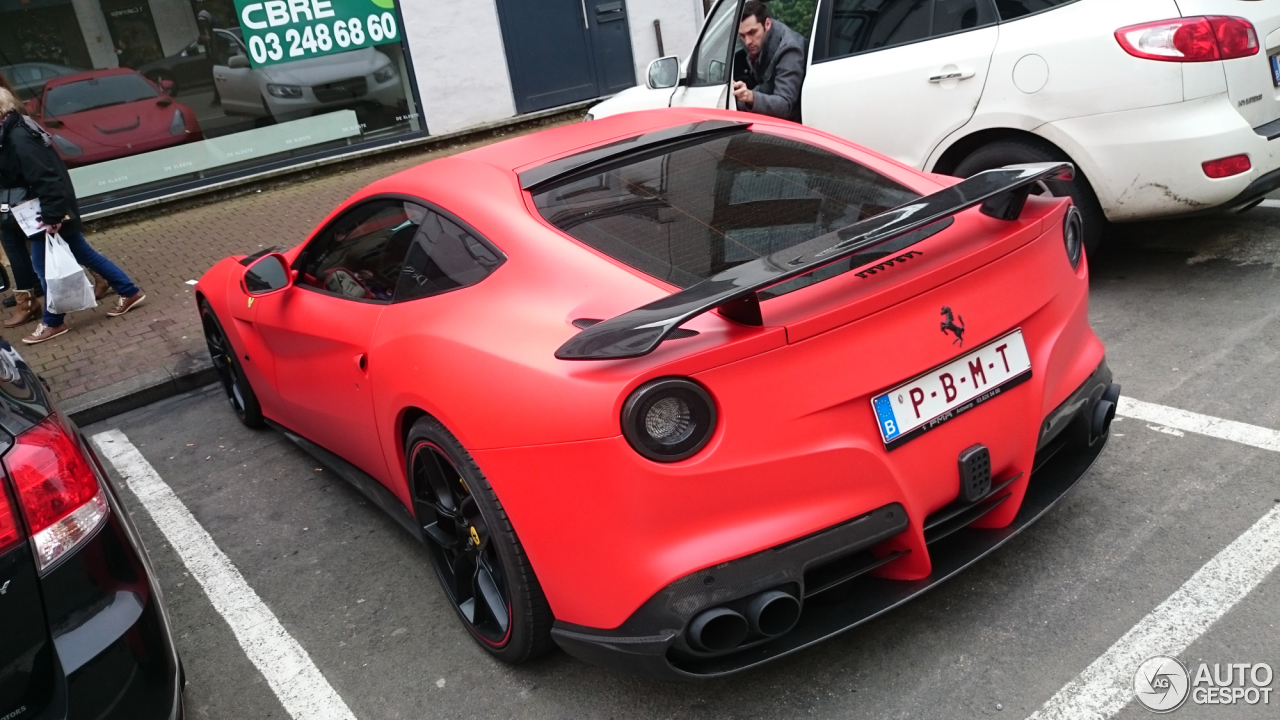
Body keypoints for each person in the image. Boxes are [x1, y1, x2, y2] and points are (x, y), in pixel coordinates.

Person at [0, 87, 145, 344]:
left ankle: (53, 322)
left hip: (45, 212)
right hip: (46, 209)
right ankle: (129, 291)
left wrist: (53, 215)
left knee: (43, 267)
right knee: (82, 253)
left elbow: (45, 177)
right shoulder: (14, 130)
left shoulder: (18, 137)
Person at [0, 73, 43, 328]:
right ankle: (27, 298)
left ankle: (29, 301)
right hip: (12, 194)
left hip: (17, 194)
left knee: (48, 241)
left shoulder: (14, 128)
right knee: (17, 243)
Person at [731, 0, 807, 122]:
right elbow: (768, 84)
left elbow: (785, 105)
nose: (747, 41)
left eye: (752, 32)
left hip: (793, 125)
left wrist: (750, 96)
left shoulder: (789, 50)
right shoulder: (754, 40)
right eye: (742, 35)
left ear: (767, 24)